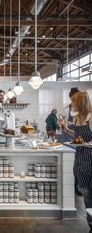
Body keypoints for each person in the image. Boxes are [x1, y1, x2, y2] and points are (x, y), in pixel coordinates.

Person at [65, 92, 92, 229]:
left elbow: (85, 141)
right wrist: (66, 129)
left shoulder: (91, 117)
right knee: (84, 191)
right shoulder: (76, 119)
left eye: (74, 102)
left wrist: (88, 144)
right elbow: (77, 137)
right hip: (80, 159)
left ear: (80, 103)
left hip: (90, 157)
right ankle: (90, 223)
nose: (72, 104)